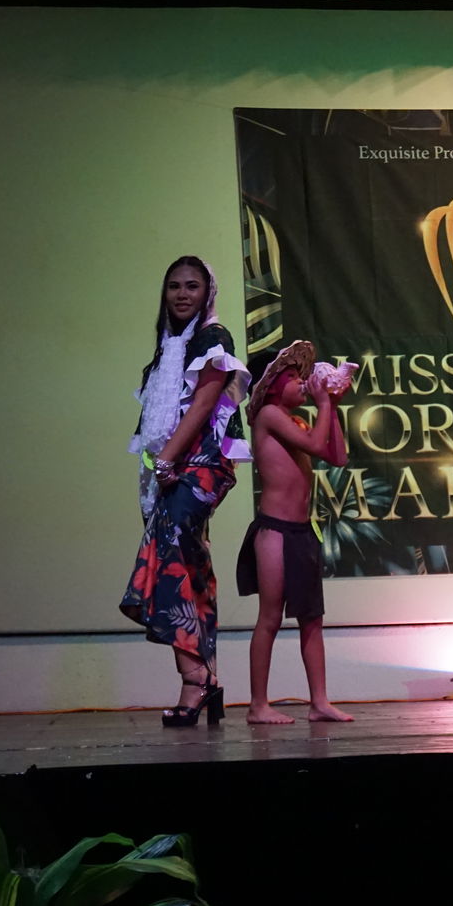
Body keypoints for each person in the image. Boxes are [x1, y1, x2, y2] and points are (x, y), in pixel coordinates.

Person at [120, 255, 250, 727]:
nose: (181, 294)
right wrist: (160, 465)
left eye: (192, 286)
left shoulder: (212, 338)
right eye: (173, 286)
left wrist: (169, 459)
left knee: (170, 557)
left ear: (207, 292)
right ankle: (209, 678)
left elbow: (203, 406)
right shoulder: (168, 347)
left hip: (199, 464)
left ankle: (192, 681)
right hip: (170, 468)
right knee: (191, 567)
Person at [237, 340, 354, 723]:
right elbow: (317, 445)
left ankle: (319, 701)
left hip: (302, 532)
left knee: (312, 619)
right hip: (275, 532)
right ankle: (258, 705)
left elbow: (336, 455)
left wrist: (331, 404)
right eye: (294, 378)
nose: (303, 383)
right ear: (271, 386)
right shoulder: (269, 414)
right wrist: (323, 403)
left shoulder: (297, 421)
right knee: (269, 617)